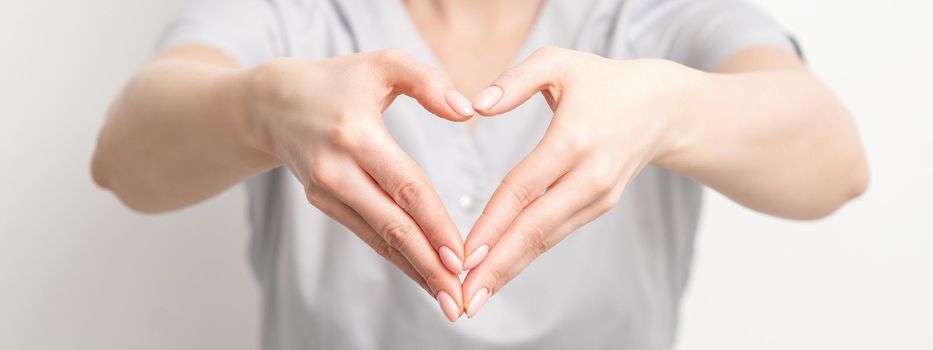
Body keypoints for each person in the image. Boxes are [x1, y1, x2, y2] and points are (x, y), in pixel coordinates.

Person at [91, 0, 869, 348]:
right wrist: (260, 109)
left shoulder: (648, 19)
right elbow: (123, 159)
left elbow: (834, 160)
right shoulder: (297, 19)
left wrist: (668, 109)